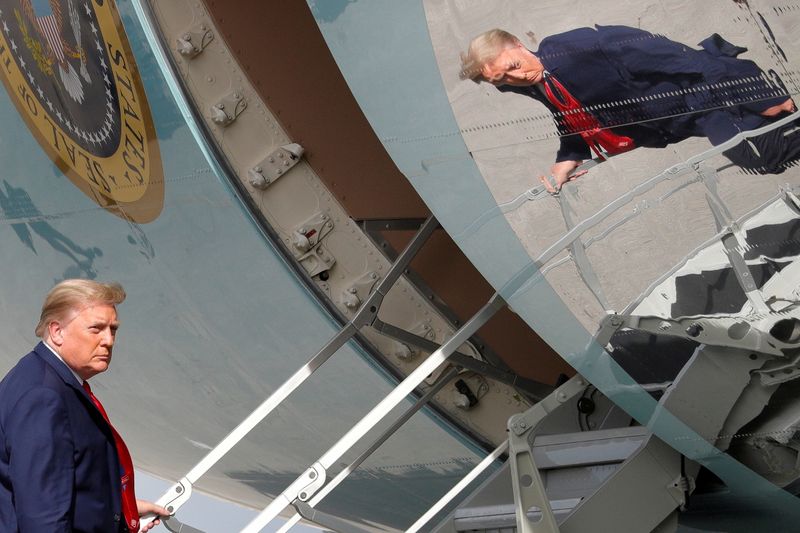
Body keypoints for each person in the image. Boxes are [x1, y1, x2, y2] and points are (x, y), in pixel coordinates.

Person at [461, 26, 798, 192]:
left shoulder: (582, 48)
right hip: (675, 123)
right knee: (769, 148)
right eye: (500, 80)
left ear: (519, 45)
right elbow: (568, 113)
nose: (514, 78)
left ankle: (769, 96)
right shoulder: (531, 81)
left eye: (512, 66)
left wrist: (758, 95)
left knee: (760, 155)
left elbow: (677, 57)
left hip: (704, 98)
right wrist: (569, 156)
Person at [0, 279, 168, 532]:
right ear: (56, 331)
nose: (108, 340)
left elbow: (65, 481)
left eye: (113, 329)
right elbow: (43, 519)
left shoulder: (48, 378)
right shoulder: (44, 397)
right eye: (96, 329)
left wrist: (118, 510)